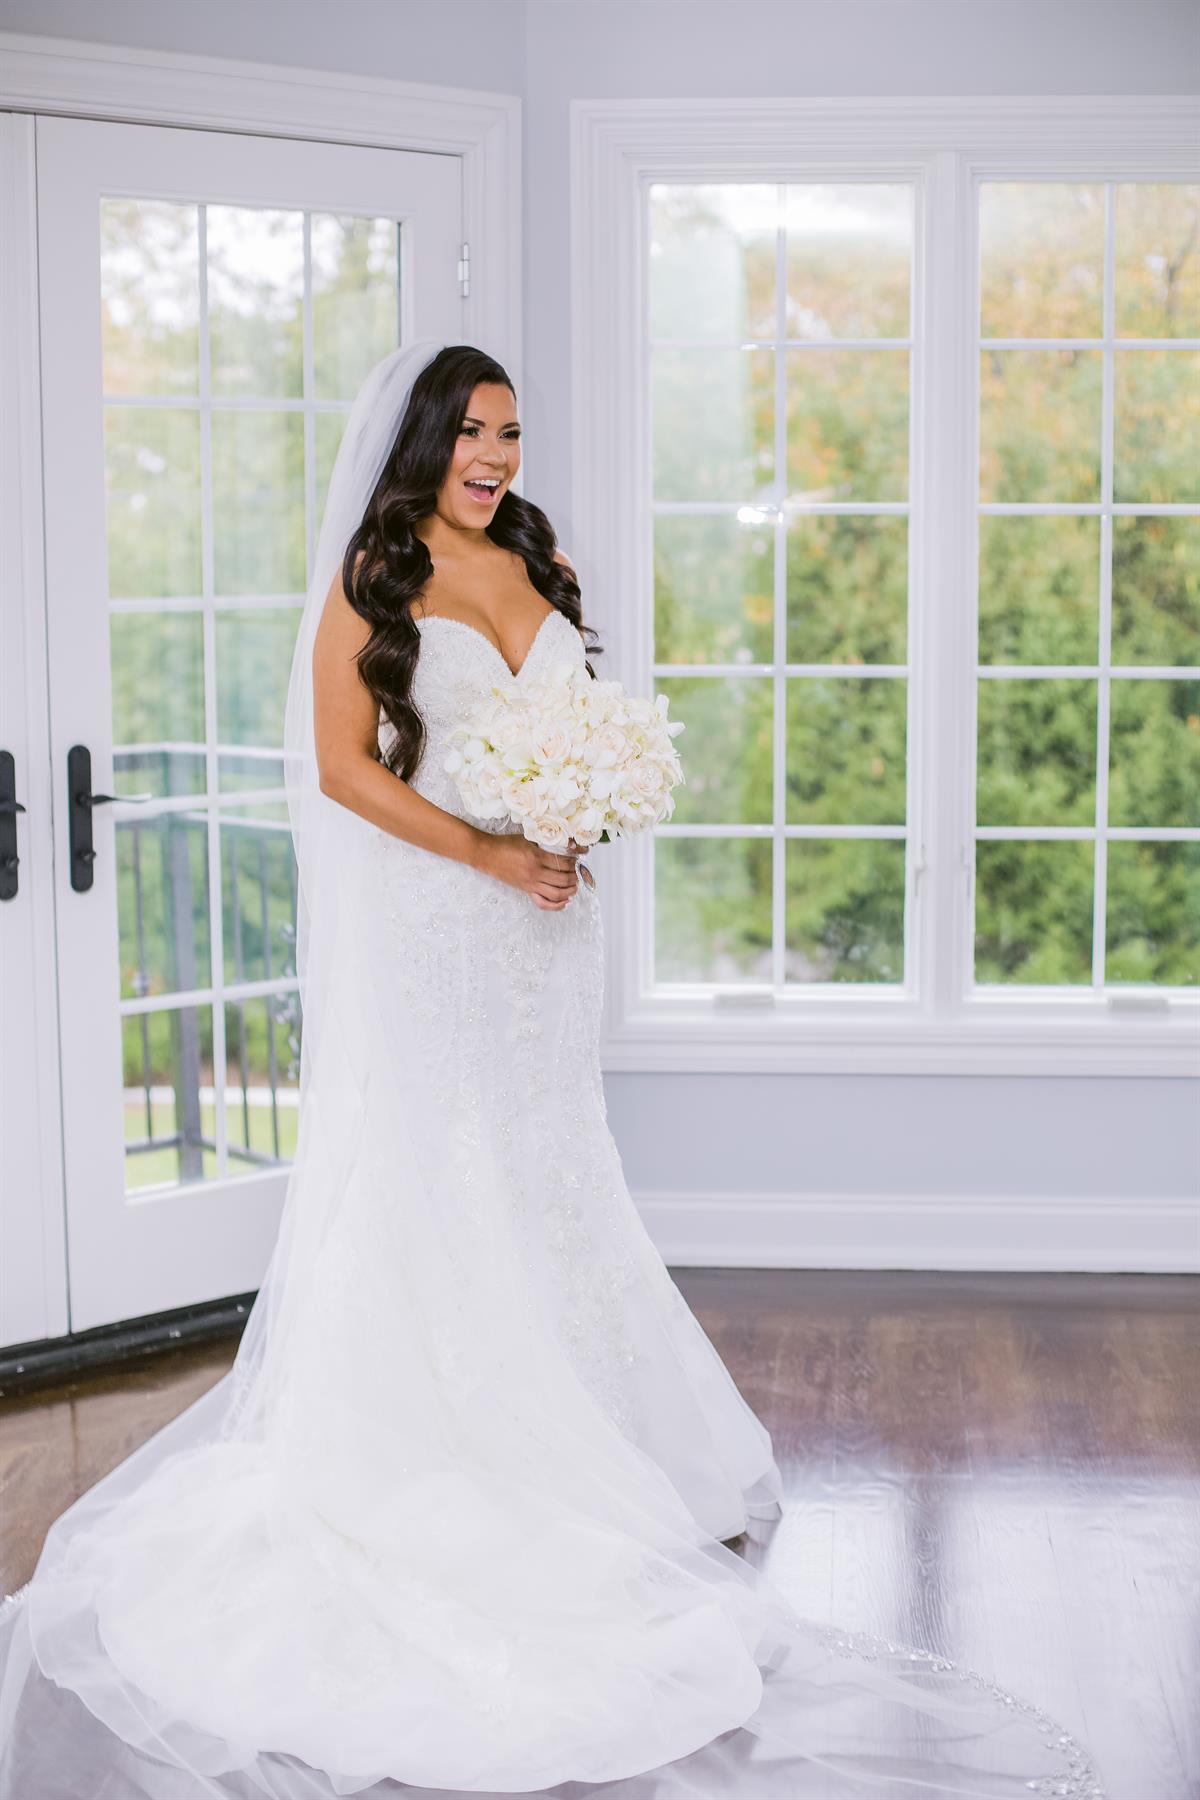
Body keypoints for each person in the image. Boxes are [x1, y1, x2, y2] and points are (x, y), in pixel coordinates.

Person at [0, 340, 1105, 1799]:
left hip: (545, 926)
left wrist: (584, 808)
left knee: (550, 1155)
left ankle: (601, 1438)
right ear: (422, 441)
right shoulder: (374, 579)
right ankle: (452, 1451)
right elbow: (343, 768)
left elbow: (577, 726)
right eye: (471, 432)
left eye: (510, 433)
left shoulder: (540, 554)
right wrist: (489, 849)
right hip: (441, 923)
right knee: (441, 1166)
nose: (494, 456)